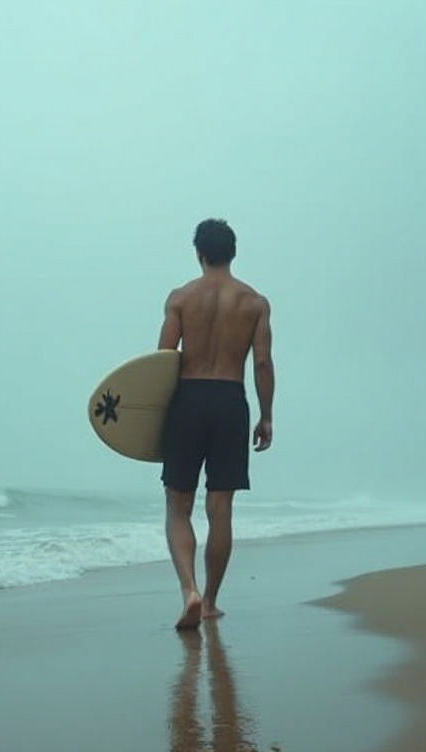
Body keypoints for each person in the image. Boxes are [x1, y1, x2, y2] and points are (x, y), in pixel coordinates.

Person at [157, 218, 274, 630]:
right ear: (233, 252)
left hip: (187, 399)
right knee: (220, 509)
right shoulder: (255, 303)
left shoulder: (180, 298)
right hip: (230, 400)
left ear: (199, 253)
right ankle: (209, 602)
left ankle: (187, 588)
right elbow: (261, 362)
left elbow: (163, 360)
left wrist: (157, 420)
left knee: (178, 505)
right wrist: (266, 415)